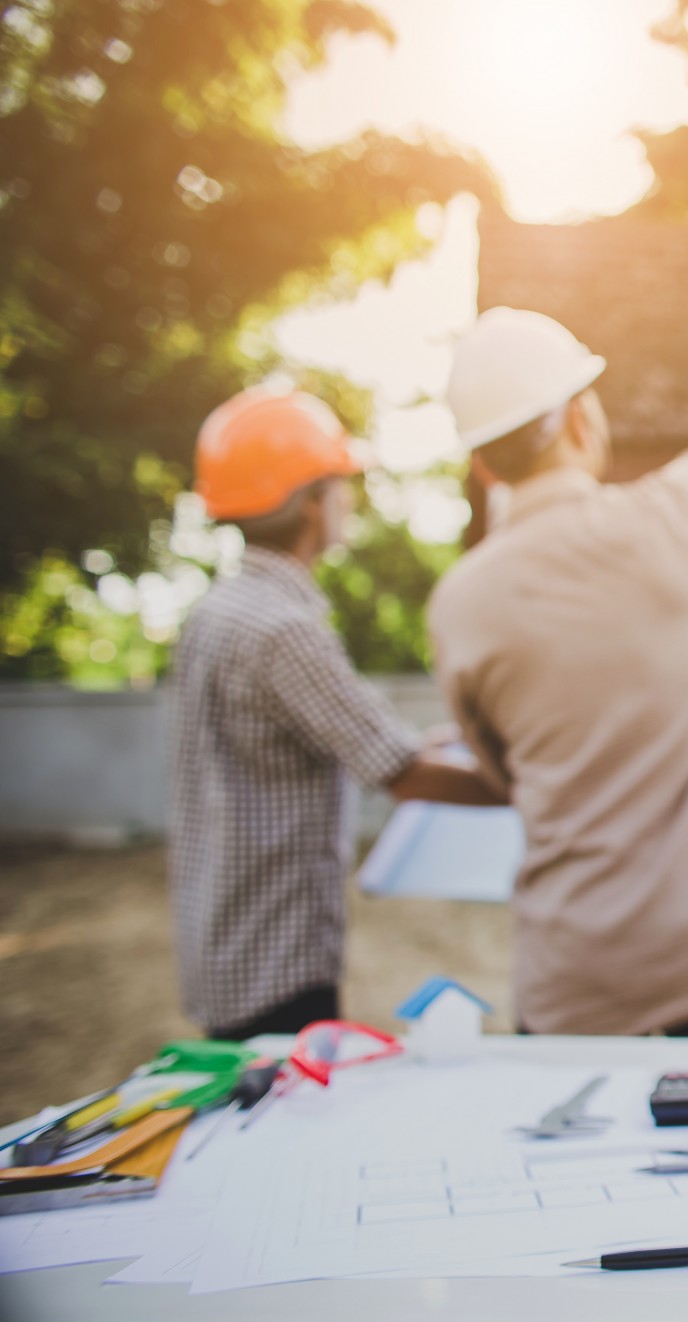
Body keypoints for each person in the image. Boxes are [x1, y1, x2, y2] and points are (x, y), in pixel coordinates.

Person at [428, 273, 688, 1037]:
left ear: (485, 465)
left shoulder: (458, 607)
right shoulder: (666, 527)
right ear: (582, 420)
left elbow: (501, 772)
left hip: (570, 983)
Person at [170, 388, 506, 1042]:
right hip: (275, 957)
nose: (349, 500)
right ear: (308, 502)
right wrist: (542, 791)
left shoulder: (216, 613)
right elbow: (403, 774)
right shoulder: (284, 629)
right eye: (340, 485)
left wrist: (448, 740)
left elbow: (351, 737)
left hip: (224, 943)